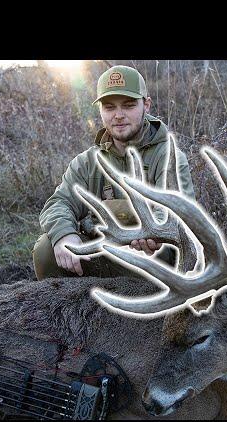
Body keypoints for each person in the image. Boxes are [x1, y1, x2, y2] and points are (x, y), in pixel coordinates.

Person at [33, 65, 195, 280]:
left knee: (166, 251)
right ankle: (78, 311)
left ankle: (153, 312)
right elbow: (59, 203)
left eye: (128, 106)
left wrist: (149, 233)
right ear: (100, 110)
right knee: (46, 249)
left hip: (148, 258)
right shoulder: (87, 162)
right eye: (109, 107)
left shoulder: (169, 157)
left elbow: (179, 214)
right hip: (103, 252)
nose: (118, 115)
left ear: (146, 105)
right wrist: (65, 234)